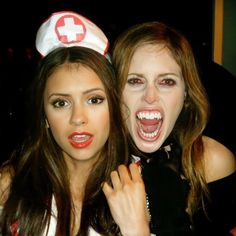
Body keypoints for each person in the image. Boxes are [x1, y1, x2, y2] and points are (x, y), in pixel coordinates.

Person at [0, 11, 150, 236]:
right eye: (61, 103)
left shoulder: (146, 186)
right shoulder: (11, 185)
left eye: (94, 100)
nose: (78, 118)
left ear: (114, 107)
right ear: (44, 116)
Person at [111, 21, 236, 236]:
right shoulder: (95, 158)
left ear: (186, 94)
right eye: (134, 81)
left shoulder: (209, 163)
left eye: (167, 82)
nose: (150, 97)